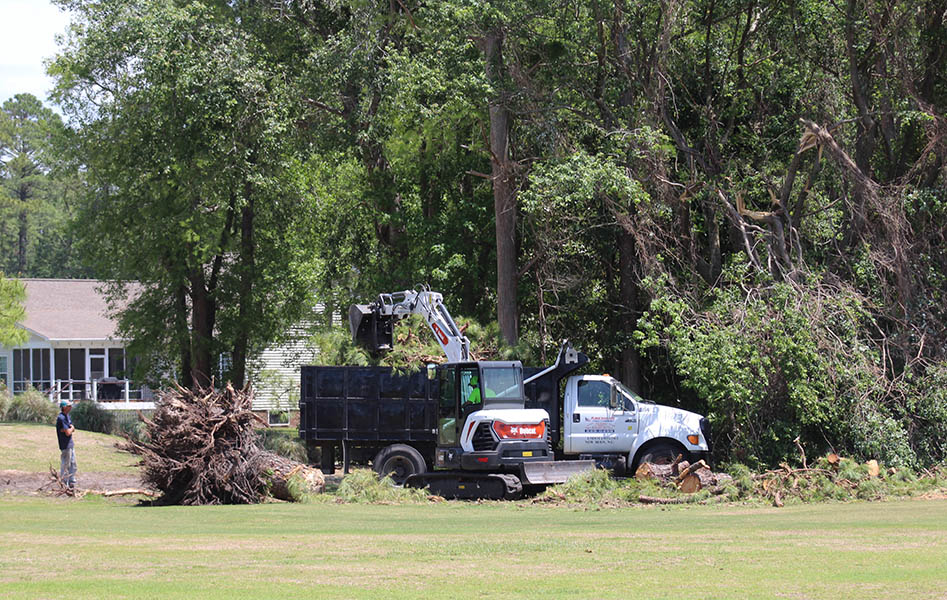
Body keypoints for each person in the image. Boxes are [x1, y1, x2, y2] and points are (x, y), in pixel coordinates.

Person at [56, 400, 77, 492]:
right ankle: (64, 482)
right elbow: (68, 432)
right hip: (65, 444)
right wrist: (71, 428)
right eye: (69, 406)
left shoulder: (67, 416)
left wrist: (70, 428)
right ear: (64, 407)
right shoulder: (61, 418)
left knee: (73, 463)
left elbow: (71, 428)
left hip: (70, 443)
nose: (71, 407)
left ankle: (72, 481)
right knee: (66, 463)